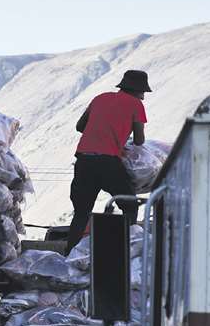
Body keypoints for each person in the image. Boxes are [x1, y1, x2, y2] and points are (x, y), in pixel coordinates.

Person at [64, 70, 151, 254]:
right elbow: (139, 140)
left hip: (84, 160)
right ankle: (126, 250)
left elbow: (80, 126)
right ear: (139, 91)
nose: (143, 97)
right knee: (129, 204)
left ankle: (69, 254)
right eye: (143, 92)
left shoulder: (100, 98)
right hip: (108, 161)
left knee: (81, 212)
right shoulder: (136, 105)